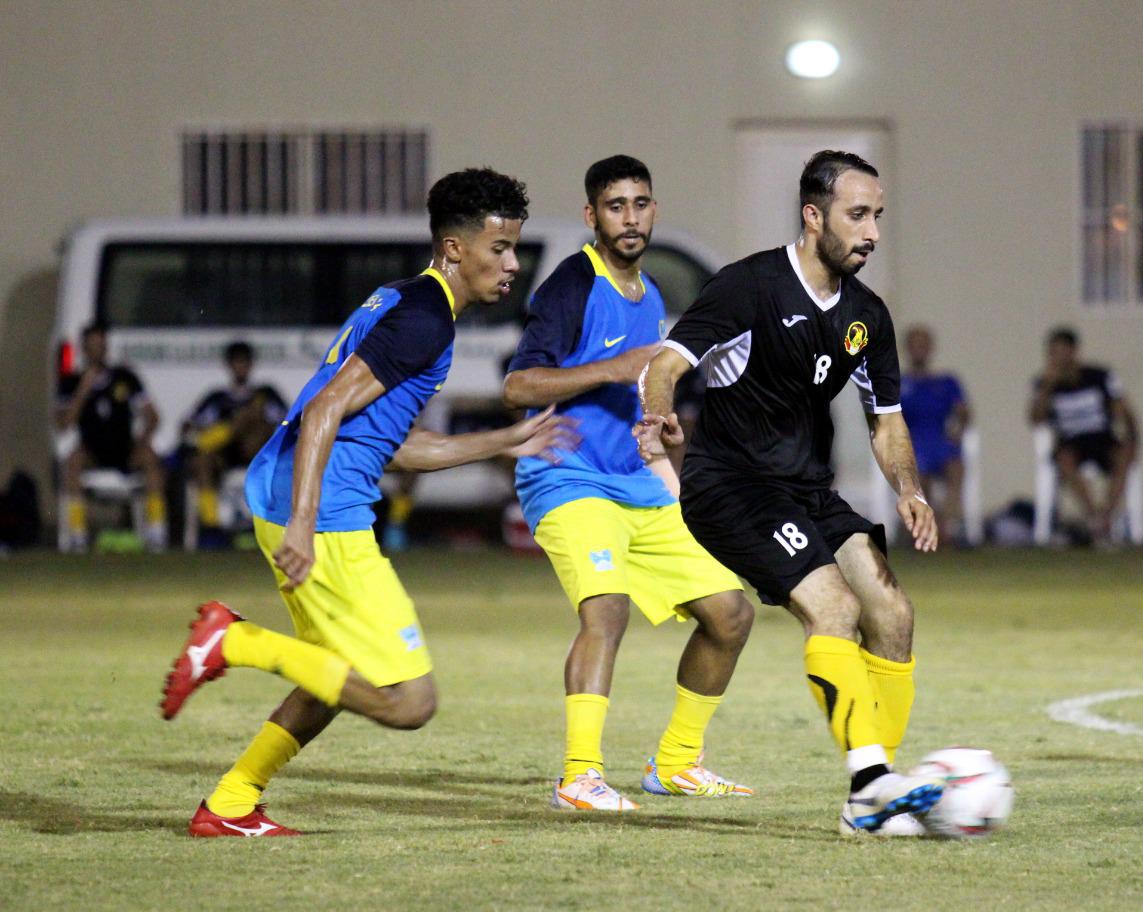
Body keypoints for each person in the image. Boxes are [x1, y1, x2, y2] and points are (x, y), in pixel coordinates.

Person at [160, 168, 577, 837]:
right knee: (408, 701)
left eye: (515, 247)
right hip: (322, 514)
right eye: (498, 248)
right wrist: (303, 523)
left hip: (301, 496)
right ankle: (233, 641)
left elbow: (393, 444)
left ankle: (232, 803)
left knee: (336, 678)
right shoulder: (424, 320)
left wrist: (508, 439)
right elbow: (325, 407)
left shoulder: (405, 301)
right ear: (453, 249)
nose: (512, 263)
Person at [635, 150, 943, 837]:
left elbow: (884, 418)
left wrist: (910, 488)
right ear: (813, 216)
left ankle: (875, 791)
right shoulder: (749, 288)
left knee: (891, 612)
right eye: (857, 215)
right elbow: (665, 363)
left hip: (806, 488)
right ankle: (873, 787)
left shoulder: (867, 314)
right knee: (832, 606)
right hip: (732, 486)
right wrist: (658, 411)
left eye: (878, 217)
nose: (872, 232)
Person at [503, 155, 754, 811]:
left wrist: (662, 435)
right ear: (592, 216)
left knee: (730, 614)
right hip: (566, 475)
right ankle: (579, 777)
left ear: (654, 211)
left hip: (631, 481)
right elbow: (518, 385)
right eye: (615, 206)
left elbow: (640, 394)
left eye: (640, 203)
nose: (630, 217)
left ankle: (674, 764)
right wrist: (615, 368)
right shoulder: (570, 285)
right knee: (606, 610)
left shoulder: (653, 296)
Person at [56, 322, 167, 551]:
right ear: (84, 349)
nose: (97, 350)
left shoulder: (125, 377)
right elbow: (64, 423)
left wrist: (143, 440)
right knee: (72, 462)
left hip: (125, 447)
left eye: (101, 345)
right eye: (92, 346)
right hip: (92, 450)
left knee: (151, 460)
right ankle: (77, 535)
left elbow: (152, 416)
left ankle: (156, 533)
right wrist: (83, 391)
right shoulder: (71, 382)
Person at [1028, 327, 1139, 543]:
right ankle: (1094, 516)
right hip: (1070, 440)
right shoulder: (1043, 383)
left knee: (1124, 456)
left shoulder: (1099, 375)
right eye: (1053, 352)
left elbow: (1122, 408)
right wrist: (1048, 387)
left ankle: (1106, 514)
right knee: (1064, 460)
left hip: (1102, 437)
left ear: (1074, 351)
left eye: (1062, 351)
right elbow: (1035, 418)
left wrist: (1131, 435)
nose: (1058, 358)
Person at [185, 341, 287, 537]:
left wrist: (253, 419)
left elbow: (287, 423)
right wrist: (228, 427)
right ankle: (211, 525)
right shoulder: (217, 398)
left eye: (244, 362)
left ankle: (268, 521)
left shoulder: (265, 394)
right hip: (225, 456)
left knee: (256, 415)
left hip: (258, 454)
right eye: (236, 362)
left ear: (251, 365)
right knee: (202, 461)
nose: (240, 367)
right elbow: (188, 425)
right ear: (228, 366)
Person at [899, 325, 970, 545]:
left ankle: (946, 525)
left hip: (941, 439)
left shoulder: (947, 382)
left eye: (924, 344)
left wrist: (958, 429)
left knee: (956, 468)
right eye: (915, 345)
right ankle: (929, 529)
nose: (920, 349)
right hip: (913, 441)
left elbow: (963, 413)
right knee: (921, 475)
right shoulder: (898, 384)